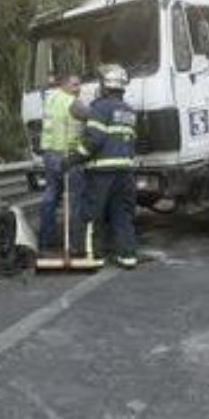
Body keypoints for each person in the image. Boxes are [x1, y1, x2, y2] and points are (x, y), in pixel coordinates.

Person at [69, 64, 138, 268]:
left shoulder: (100, 108)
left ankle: (94, 257)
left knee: (93, 216)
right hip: (125, 172)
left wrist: (73, 158)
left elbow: (94, 140)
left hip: (101, 173)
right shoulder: (129, 111)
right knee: (122, 215)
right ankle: (127, 257)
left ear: (105, 87)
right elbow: (131, 142)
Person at [38, 73, 85, 255]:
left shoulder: (50, 99)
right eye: (75, 85)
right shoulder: (72, 102)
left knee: (50, 196)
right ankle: (75, 245)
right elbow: (93, 117)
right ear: (65, 85)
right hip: (69, 157)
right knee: (75, 200)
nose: (78, 88)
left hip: (50, 156)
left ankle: (45, 243)